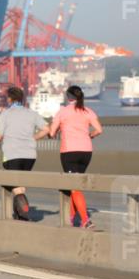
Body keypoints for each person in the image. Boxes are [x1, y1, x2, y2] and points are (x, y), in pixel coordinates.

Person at [50, 85, 102, 229]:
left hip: (69, 151)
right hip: (86, 152)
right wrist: (89, 136)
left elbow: (52, 133)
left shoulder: (63, 111)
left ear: (68, 97)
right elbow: (99, 130)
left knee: (74, 187)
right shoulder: (88, 111)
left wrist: (56, 130)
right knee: (75, 186)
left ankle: (85, 220)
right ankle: (72, 218)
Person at [0, 86, 48, 221]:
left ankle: (24, 214)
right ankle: (17, 215)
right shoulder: (31, 113)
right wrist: (33, 138)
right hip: (30, 155)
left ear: (10, 99)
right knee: (20, 187)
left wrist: (0, 135)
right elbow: (47, 129)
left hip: (12, 154)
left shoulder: (5, 114)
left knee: (16, 188)